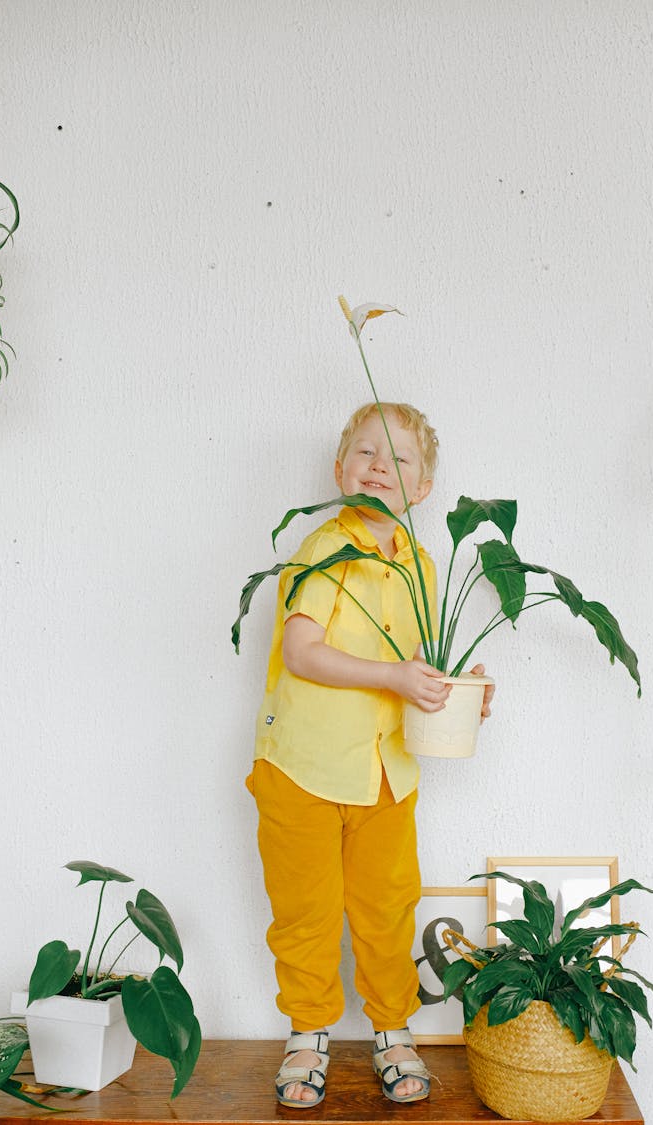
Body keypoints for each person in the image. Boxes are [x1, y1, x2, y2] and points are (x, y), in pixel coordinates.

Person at [246, 402, 493, 1107]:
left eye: (400, 458)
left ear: (421, 490)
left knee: (387, 907)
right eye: (364, 452)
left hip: (387, 770)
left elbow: (417, 661)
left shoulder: (419, 564)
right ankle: (308, 1033)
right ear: (339, 470)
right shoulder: (325, 545)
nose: (380, 464)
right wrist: (392, 677)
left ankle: (393, 1028)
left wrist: (461, 690)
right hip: (303, 767)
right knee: (307, 911)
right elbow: (302, 650)